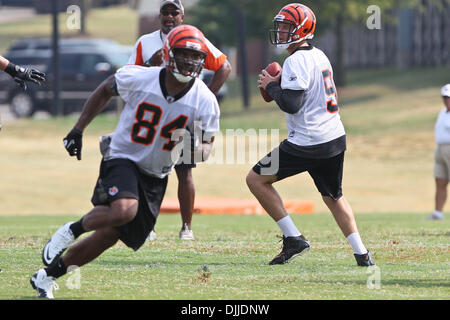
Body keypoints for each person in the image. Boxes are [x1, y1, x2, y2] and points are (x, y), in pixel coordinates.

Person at [30, 25, 220, 298]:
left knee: (109, 235)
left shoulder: (205, 100)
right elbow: (104, 90)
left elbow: (206, 147)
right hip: (122, 156)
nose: (190, 61)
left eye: (195, 56)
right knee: (124, 211)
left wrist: (196, 148)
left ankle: (46, 277)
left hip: (156, 173)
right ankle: (70, 230)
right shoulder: (139, 77)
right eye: (184, 54)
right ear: (169, 53)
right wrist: (78, 129)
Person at [246, 3, 374, 266]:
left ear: (302, 29)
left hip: (307, 143)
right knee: (333, 196)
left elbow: (292, 104)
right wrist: (281, 85)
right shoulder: (319, 55)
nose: (280, 31)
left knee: (255, 180)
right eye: (280, 26)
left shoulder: (295, 60)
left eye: (286, 27)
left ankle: (293, 238)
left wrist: (272, 87)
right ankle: (362, 254)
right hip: (334, 137)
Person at [127, 0, 231, 240]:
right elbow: (129, 74)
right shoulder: (146, 42)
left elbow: (224, 66)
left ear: (182, 16)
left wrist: (204, 96)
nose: (170, 17)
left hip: (183, 115)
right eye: (165, 12)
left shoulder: (193, 37)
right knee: (147, 170)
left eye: (175, 12)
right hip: (155, 114)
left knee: (184, 171)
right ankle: (148, 226)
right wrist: (150, 65)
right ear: (159, 16)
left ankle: (187, 227)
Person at [427, 84, 450, 220]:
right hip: (440, 149)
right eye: (445, 98)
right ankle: (438, 213)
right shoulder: (442, 112)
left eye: (448, 98)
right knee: (440, 180)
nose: (446, 100)